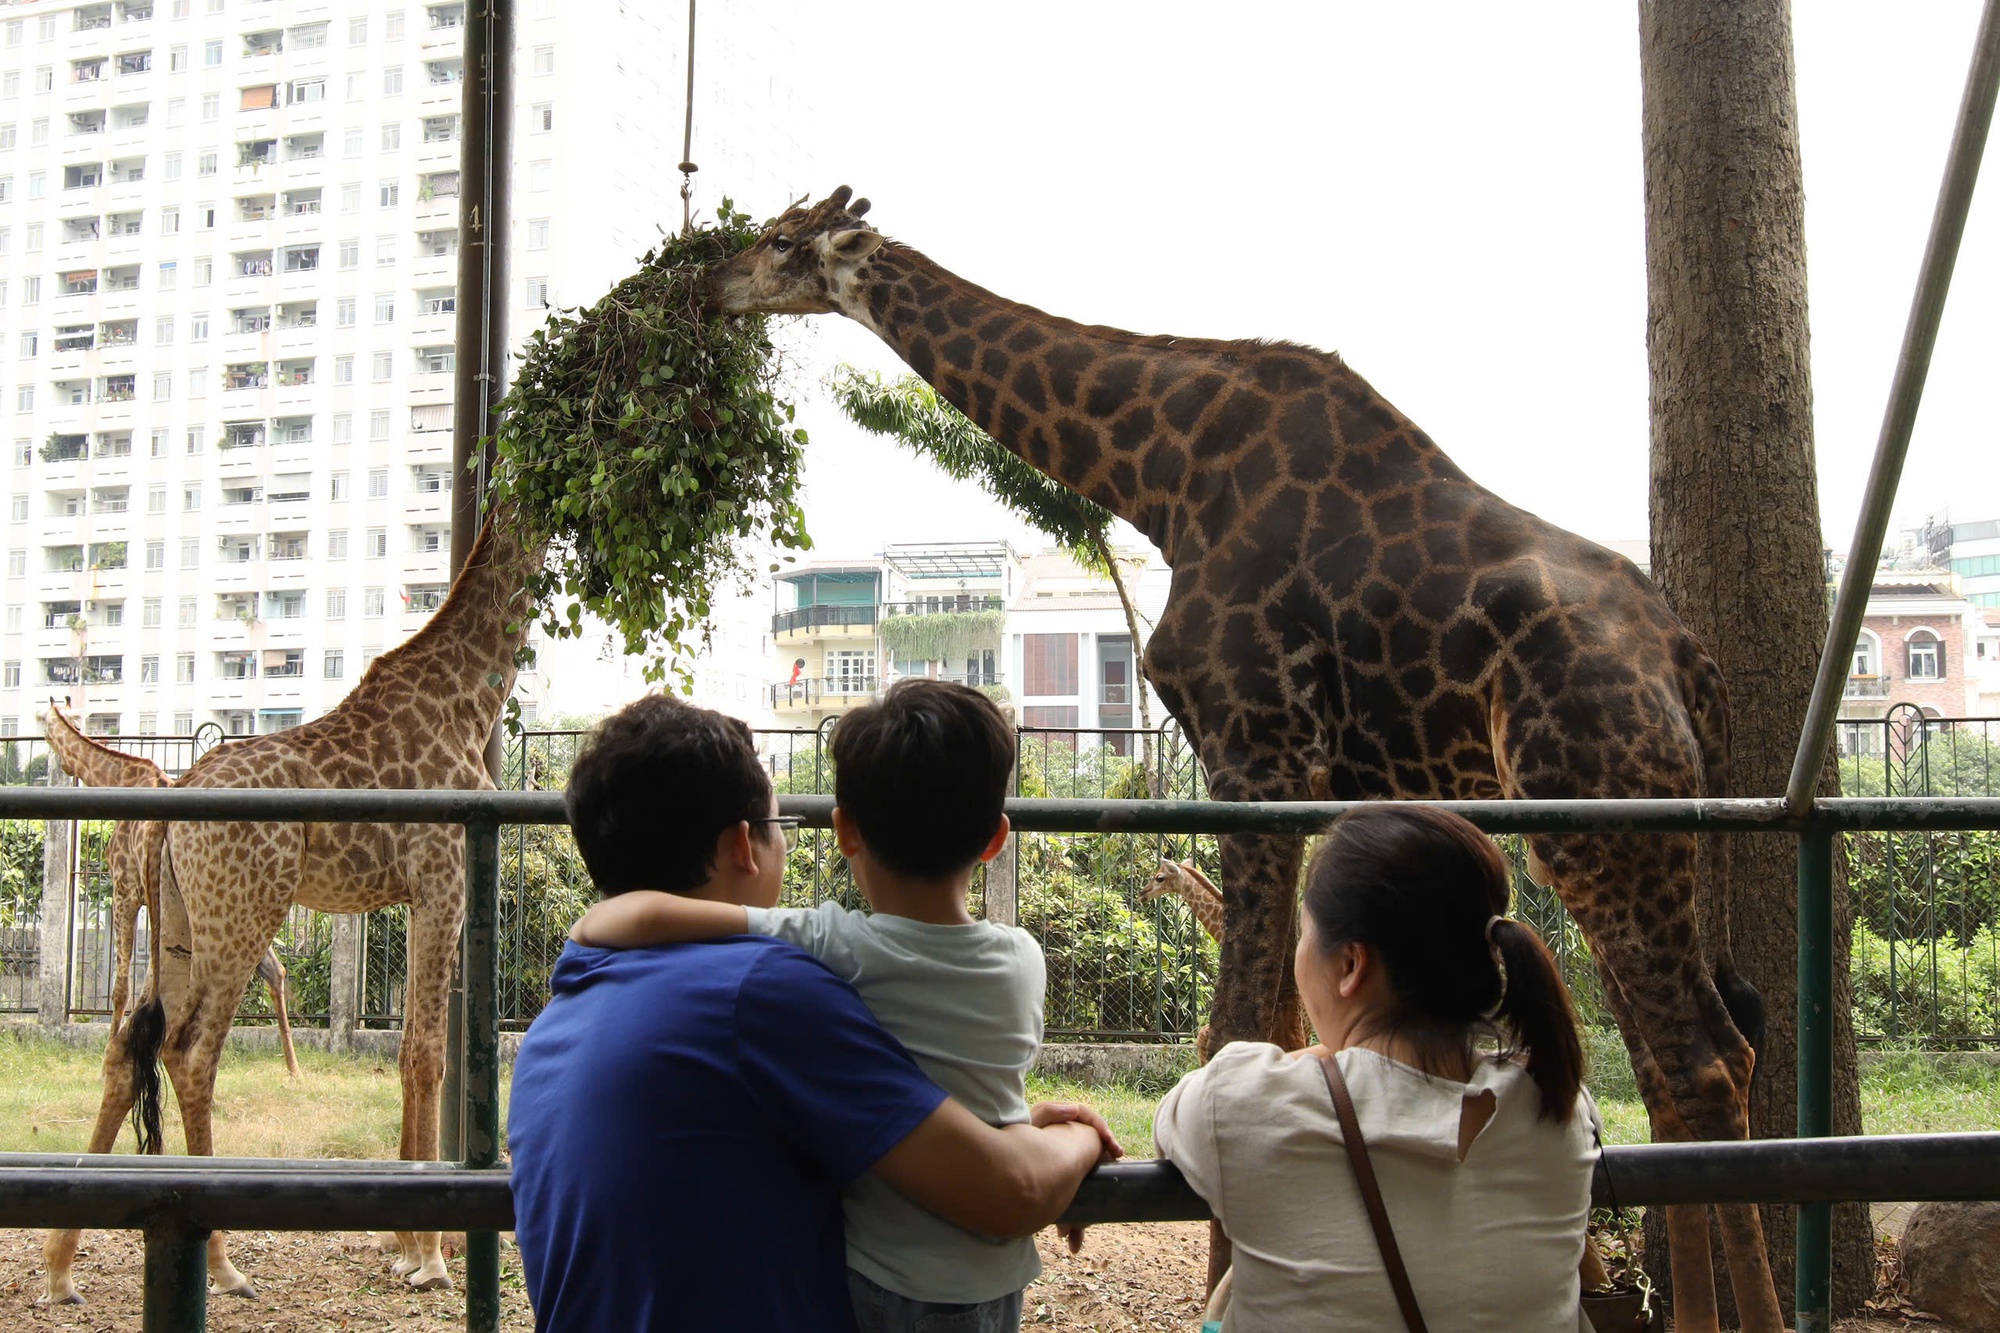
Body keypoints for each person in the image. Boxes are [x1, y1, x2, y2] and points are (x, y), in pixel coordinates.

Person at [509, 692, 1114, 1333]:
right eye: (780, 827)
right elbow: (1007, 1191)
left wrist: (970, 1122)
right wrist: (1078, 1136)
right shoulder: (762, 991)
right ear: (745, 845)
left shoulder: (556, 1026)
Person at [1155, 804, 1599, 1331]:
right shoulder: (1561, 1108)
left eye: (1303, 934)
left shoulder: (1241, 1102)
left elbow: (1171, 1121)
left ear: (1349, 965)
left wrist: (1322, 1057)